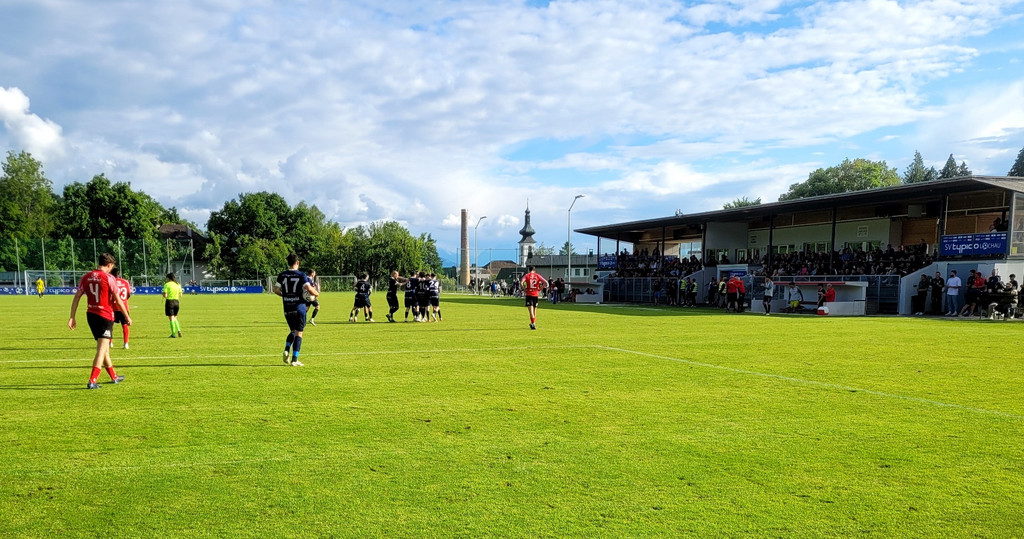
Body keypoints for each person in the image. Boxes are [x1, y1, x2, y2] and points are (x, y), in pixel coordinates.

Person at [68, 253, 130, 389]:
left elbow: (77, 296)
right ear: (109, 265)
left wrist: (72, 316)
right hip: (105, 315)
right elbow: (118, 300)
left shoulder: (86, 277)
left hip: (91, 314)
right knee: (102, 349)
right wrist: (127, 316)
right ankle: (92, 380)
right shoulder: (109, 278)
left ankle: (113, 376)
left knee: (105, 348)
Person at [275, 253, 317, 366]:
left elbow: (275, 289)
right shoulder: (301, 275)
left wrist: (285, 295)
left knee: (292, 331)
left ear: (288, 263)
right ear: (297, 262)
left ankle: (287, 348)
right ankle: (294, 359)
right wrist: (316, 294)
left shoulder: (282, 275)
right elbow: (308, 288)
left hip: (287, 308)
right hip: (299, 308)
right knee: (299, 333)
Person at [521, 265, 549, 330]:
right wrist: (540, 288)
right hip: (536, 294)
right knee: (534, 310)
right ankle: (533, 323)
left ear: (529, 270)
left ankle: (533, 323)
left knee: (531, 311)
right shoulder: (537, 276)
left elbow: (521, 282)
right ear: (534, 270)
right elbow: (546, 283)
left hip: (529, 294)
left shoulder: (526, 275)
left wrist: (524, 289)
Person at [110, 267, 132, 349]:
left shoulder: (111, 282)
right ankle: (126, 343)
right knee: (125, 325)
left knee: (110, 326)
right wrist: (124, 301)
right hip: (124, 307)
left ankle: (110, 343)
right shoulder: (125, 282)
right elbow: (128, 294)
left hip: (113, 307)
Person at [163, 272, 183, 338]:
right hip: (177, 302)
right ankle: (179, 330)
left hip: (170, 302)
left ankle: (173, 334)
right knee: (175, 318)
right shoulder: (178, 284)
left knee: (171, 318)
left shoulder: (167, 284)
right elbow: (181, 295)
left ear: (168, 278)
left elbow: (165, 295)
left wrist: (163, 294)